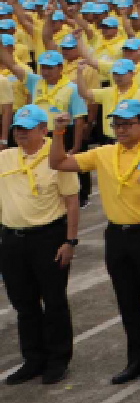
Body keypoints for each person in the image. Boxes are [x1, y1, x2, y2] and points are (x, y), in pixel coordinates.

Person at [49, 99, 140, 385]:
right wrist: (59, 134)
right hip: (117, 235)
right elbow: (58, 162)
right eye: (116, 124)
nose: (120, 130)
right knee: (126, 297)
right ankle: (135, 357)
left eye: (126, 124)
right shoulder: (105, 153)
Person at [0, 105, 80, 385]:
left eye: (27, 129)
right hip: (12, 239)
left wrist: (70, 240)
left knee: (54, 301)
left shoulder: (57, 158)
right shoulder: (5, 158)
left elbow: (71, 201)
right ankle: (33, 359)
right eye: (17, 130)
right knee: (23, 303)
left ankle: (58, 360)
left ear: (43, 130)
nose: (20, 134)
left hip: (48, 237)